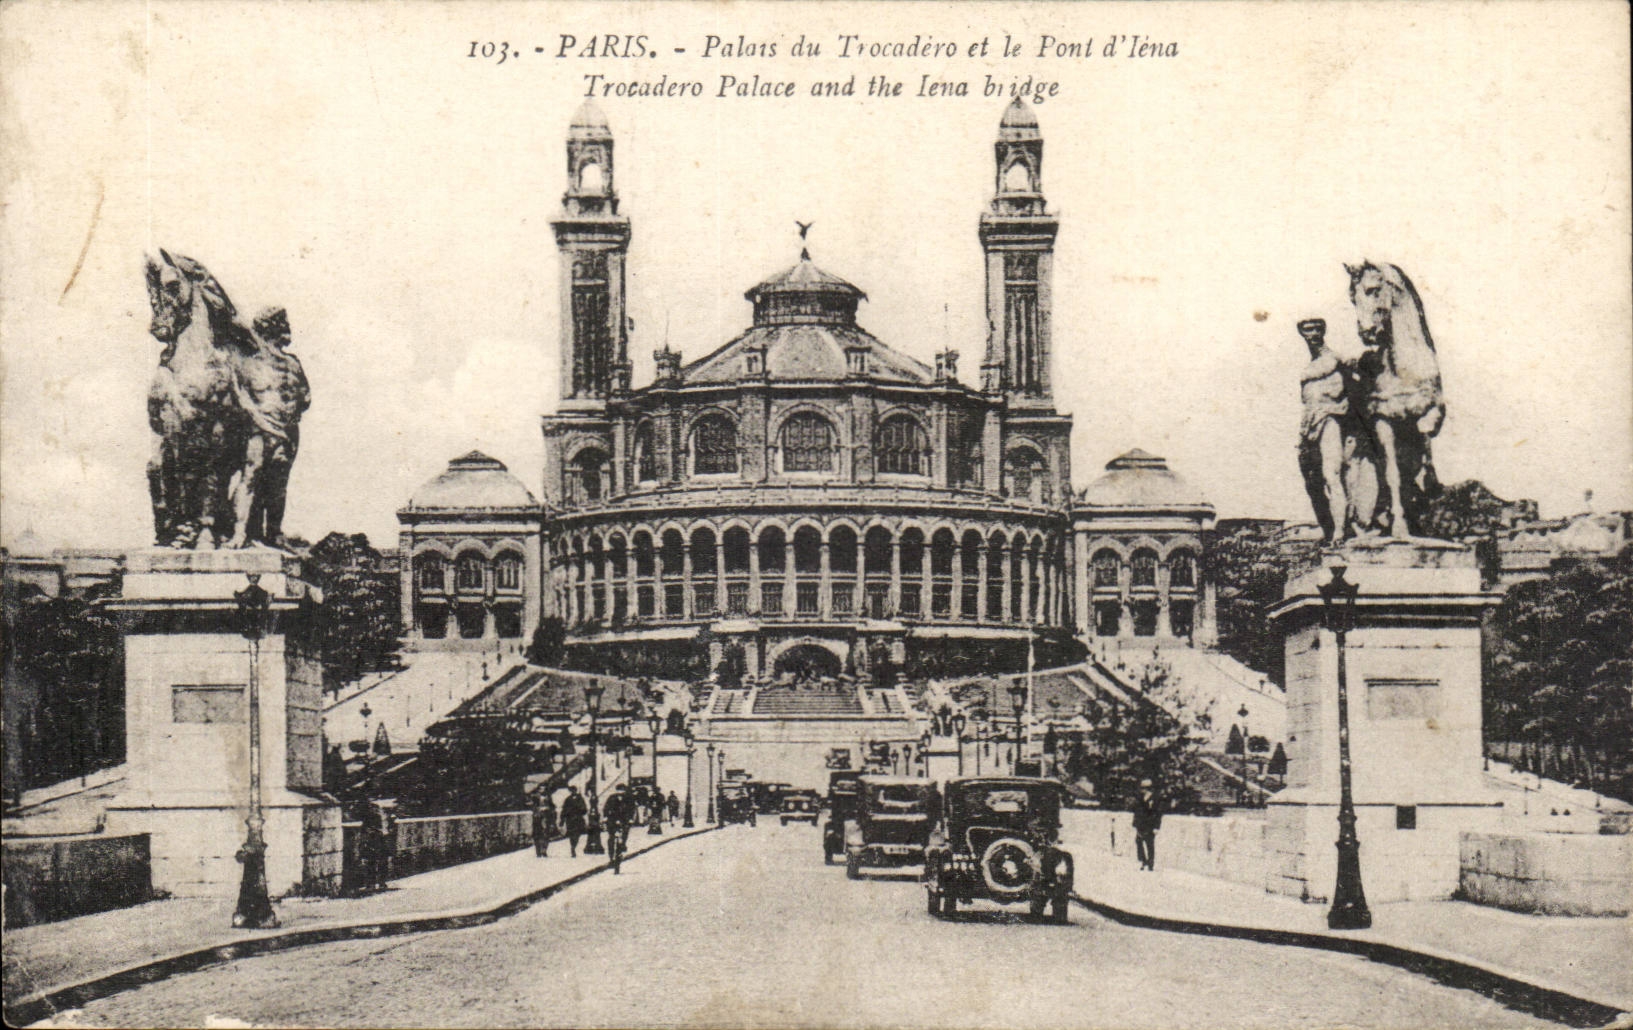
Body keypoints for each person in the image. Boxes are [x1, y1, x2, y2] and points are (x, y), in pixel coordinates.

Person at [227, 306, 310, 547]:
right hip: (260, 426)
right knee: (251, 476)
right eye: (280, 322)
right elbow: (239, 394)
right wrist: (257, 416)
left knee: (278, 485)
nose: (286, 327)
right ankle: (239, 532)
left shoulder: (293, 363)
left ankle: (274, 532)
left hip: (287, 431)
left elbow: (305, 398)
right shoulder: (249, 362)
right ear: (269, 327)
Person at [1131, 780, 1163, 872]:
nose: (1141, 790)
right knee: (1138, 841)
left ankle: (1150, 863)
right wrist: (1135, 823)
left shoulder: (1155, 799)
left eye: (1143, 788)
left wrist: (1156, 827)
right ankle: (1143, 861)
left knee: (1149, 844)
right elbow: (1136, 811)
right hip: (1141, 824)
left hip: (1150, 825)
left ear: (1148, 789)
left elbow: (1158, 814)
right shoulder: (1140, 797)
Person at [604, 785, 633, 873]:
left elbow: (632, 809)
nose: (621, 792)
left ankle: (622, 845)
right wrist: (605, 817)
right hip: (612, 821)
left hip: (624, 821)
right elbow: (606, 808)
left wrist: (631, 818)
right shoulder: (611, 798)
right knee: (611, 839)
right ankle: (611, 857)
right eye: (619, 790)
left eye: (622, 790)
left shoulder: (628, 798)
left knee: (624, 836)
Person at [561, 785, 588, 858]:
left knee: (577, 834)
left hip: (578, 819)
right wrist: (562, 820)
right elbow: (564, 810)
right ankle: (572, 847)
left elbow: (584, 809)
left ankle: (574, 845)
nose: (573, 792)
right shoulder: (567, 799)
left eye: (574, 790)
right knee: (572, 834)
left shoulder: (580, 799)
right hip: (570, 819)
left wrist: (580, 811)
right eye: (571, 791)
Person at [531, 792, 558, 858]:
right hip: (537, 823)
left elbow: (553, 815)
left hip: (546, 822)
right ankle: (538, 851)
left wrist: (552, 823)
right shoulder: (535, 807)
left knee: (546, 837)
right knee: (537, 837)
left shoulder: (550, 809)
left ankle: (543, 850)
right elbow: (534, 815)